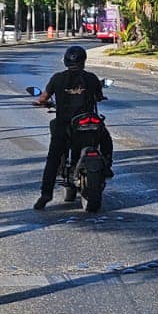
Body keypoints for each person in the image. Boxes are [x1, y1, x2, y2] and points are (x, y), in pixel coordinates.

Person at [31, 44, 112, 209]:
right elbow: (99, 96)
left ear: (66, 61)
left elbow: (43, 98)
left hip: (65, 125)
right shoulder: (91, 78)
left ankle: (45, 195)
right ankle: (108, 166)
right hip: (88, 122)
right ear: (84, 61)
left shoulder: (57, 78)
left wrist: (41, 102)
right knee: (106, 139)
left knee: (53, 158)